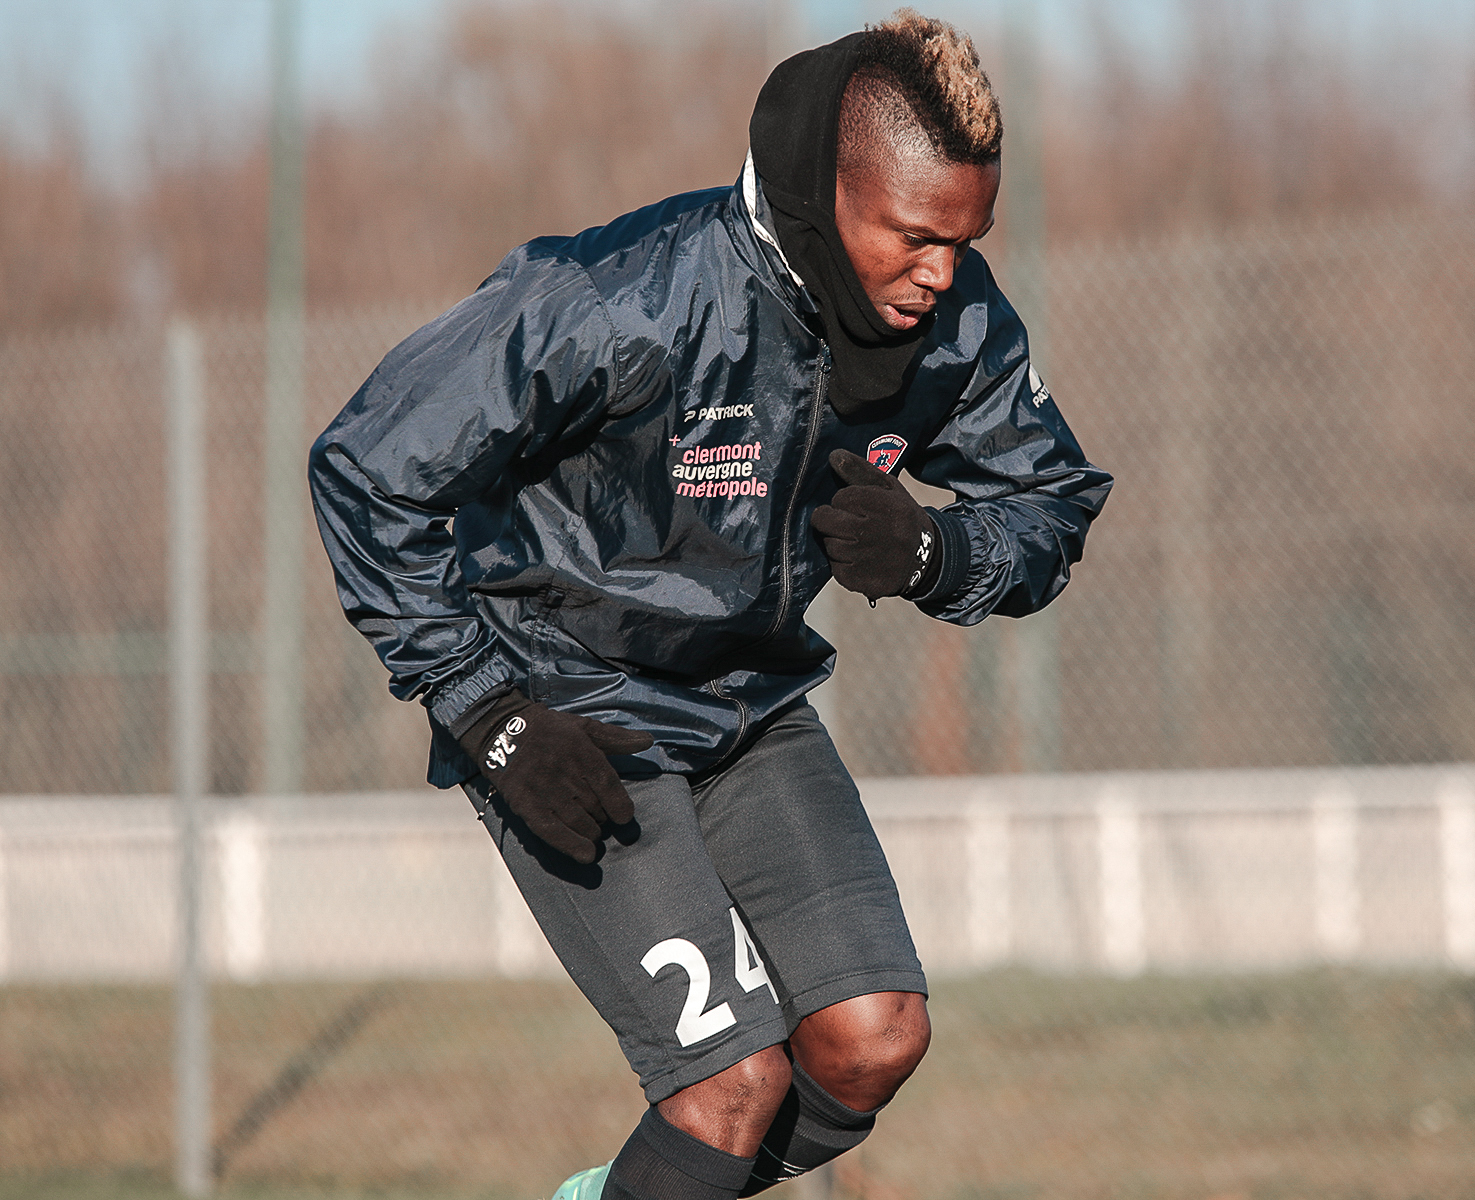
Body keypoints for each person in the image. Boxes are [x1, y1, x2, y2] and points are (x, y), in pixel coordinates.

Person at [309, 10, 1111, 1199]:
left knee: (871, 1040)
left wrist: (939, 552)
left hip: (750, 708)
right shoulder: (617, 298)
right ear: (824, 190)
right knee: (728, 1089)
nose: (942, 270)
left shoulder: (957, 323)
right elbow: (368, 466)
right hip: (570, 709)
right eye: (913, 234)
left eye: (966, 236)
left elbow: (1053, 499)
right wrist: (489, 711)